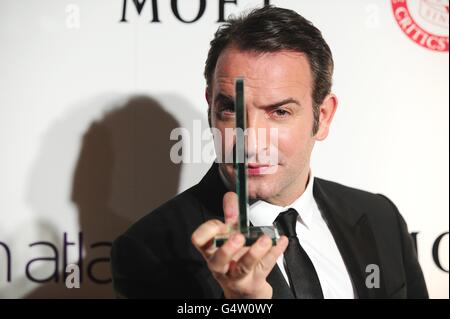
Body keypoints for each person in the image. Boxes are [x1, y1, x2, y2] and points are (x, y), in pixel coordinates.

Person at [111, 5, 428, 299]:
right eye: (231, 111)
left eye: (279, 112)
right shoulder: (151, 250)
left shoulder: (379, 217)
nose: (250, 143)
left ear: (324, 117)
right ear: (211, 109)